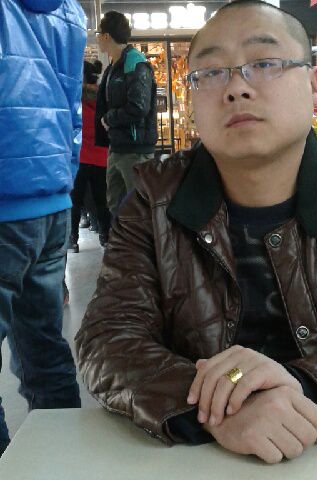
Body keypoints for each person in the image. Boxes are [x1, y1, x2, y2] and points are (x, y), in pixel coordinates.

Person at [75, 0, 317, 465]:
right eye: (211, 73)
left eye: (264, 63)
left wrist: (301, 386)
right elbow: (106, 341)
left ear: (313, 84)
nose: (237, 88)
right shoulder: (152, 202)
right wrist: (226, 404)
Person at [0, 0, 86, 456]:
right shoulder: (70, 12)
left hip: (5, 196)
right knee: (45, 349)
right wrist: (63, 178)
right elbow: (73, 107)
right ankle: (63, 463)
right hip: (50, 197)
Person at [94, 11, 158, 217]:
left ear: (106, 36)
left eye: (98, 33)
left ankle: (143, 240)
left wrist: (109, 119)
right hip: (117, 146)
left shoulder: (135, 63)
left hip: (135, 148)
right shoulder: (114, 66)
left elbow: (139, 106)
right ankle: (120, 239)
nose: (97, 38)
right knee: (116, 205)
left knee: (139, 209)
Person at [69, 61, 111, 253]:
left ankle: (72, 239)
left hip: (79, 156)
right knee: (102, 200)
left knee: (75, 201)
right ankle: (106, 237)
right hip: (100, 155)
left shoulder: (74, 96)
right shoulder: (104, 96)